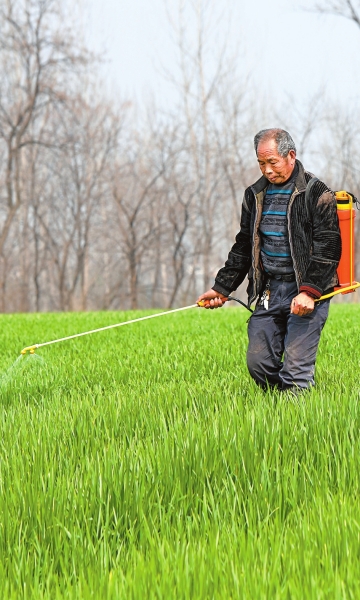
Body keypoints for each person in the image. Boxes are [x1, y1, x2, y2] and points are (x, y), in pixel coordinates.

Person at [197, 128, 341, 392]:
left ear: (291, 156)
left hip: (307, 290)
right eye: (261, 163)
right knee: (258, 363)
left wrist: (310, 292)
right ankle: (277, 408)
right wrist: (222, 287)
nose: (267, 170)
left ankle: (297, 416)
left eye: (272, 162)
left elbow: (328, 248)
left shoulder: (316, 192)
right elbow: (244, 245)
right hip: (270, 290)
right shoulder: (255, 194)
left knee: (296, 370)